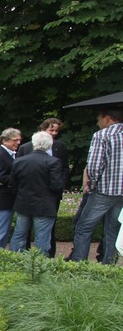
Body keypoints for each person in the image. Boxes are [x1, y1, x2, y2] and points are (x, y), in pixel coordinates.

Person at [70, 107, 123, 264]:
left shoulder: (102, 135)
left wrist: (91, 185)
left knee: (84, 227)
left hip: (104, 190)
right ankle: (108, 267)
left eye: (98, 119)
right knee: (113, 230)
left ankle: (79, 264)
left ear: (107, 118)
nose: (97, 122)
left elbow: (94, 166)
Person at [16, 118, 71, 257]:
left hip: (48, 198)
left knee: (46, 230)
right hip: (32, 197)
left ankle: (48, 256)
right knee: (27, 232)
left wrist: (61, 188)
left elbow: (64, 169)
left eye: (56, 131)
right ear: (43, 128)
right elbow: (17, 175)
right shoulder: (25, 148)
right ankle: (28, 258)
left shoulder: (60, 147)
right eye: (51, 130)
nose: (54, 133)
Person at [8, 131, 64, 255]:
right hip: (44, 205)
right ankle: (39, 264)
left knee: (19, 234)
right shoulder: (53, 162)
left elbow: (12, 184)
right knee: (42, 238)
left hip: (23, 203)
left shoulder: (19, 161)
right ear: (49, 145)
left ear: (33, 144)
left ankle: (14, 259)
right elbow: (56, 186)